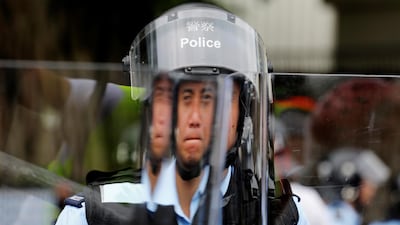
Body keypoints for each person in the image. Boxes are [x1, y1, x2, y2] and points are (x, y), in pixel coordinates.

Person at [55, 2, 309, 225]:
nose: (195, 117)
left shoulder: (282, 215)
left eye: (215, 99)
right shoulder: (96, 214)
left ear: (242, 112)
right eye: (180, 98)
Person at [317, 147, 390, 225]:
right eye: (370, 186)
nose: (372, 193)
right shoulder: (341, 217)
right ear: (353, 184)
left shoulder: (347, 215)